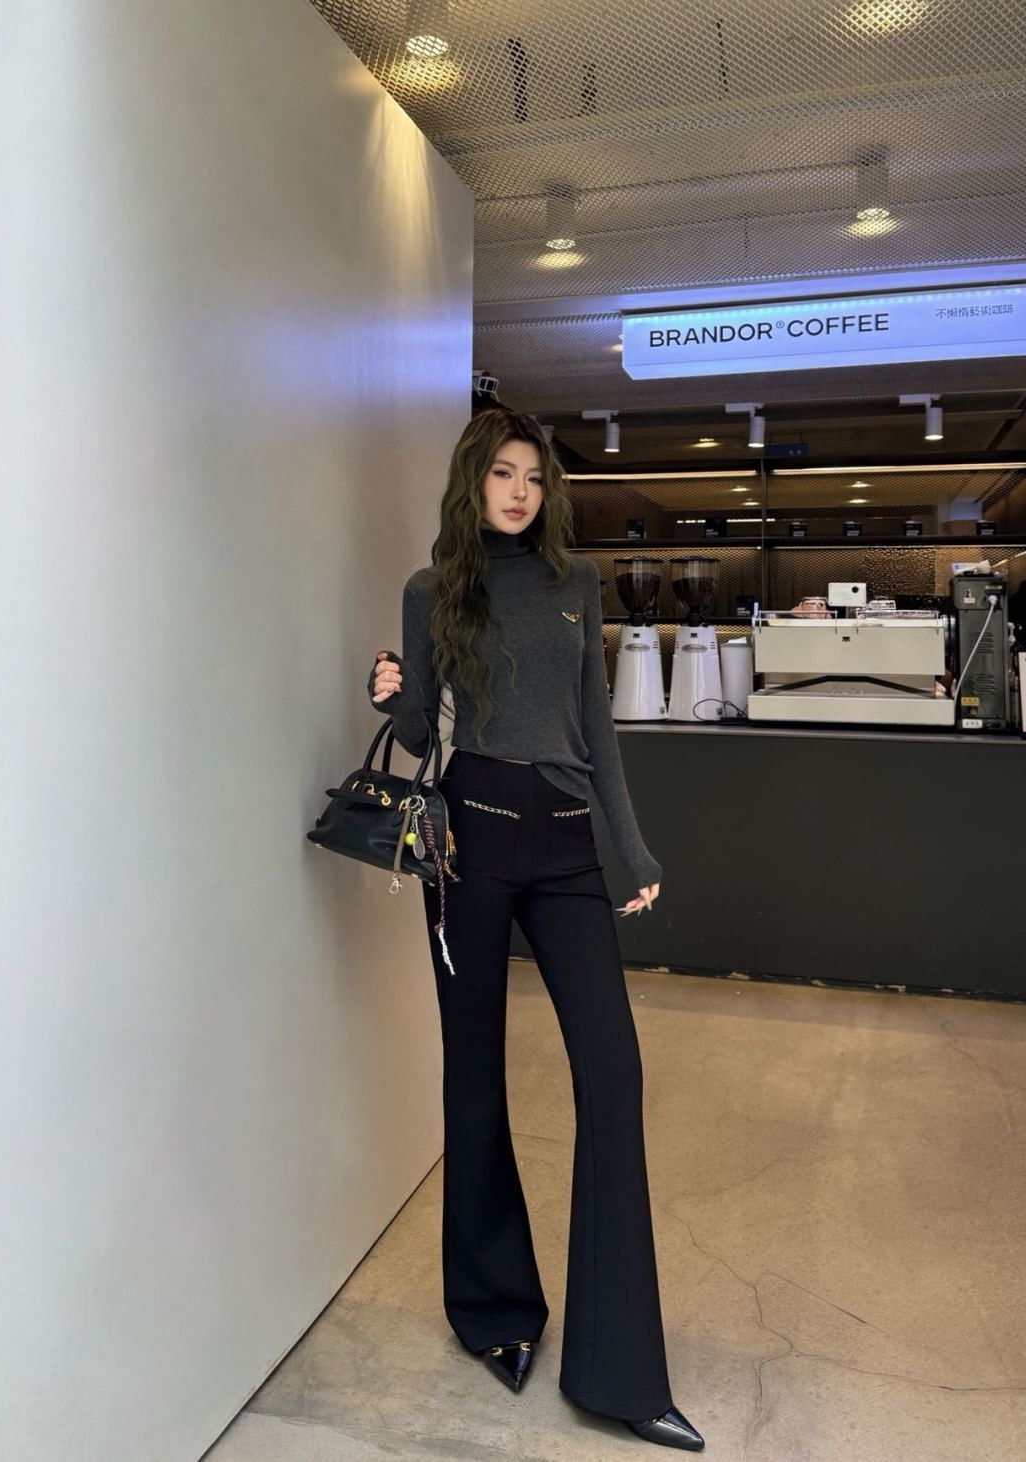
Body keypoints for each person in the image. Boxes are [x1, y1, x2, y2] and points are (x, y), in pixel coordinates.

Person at [367, 407, 704, 1451]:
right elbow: (420, 734)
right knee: (474, 1075)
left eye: (533, 476)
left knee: (613, 1070)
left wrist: (631, 853)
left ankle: (620, 1372)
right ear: (473, 482)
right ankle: (495, 1312)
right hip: (466, 844)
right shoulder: (434, 589)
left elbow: (596, 731)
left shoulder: (576, 582)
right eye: (502, 474)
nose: (519, 491)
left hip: (562, 850)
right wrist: (389, 691)